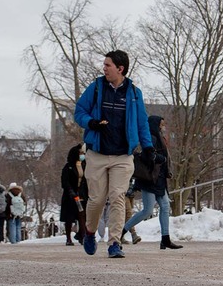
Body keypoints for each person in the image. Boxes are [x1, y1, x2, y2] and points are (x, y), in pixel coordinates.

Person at [74, 49, 154, 258]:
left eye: (108, 65)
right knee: (97, 200)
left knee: (118, 197)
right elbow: (79, 111)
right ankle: (90, 232)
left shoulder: (134, 94)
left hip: (123, 156)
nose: (104, 68)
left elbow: (142, 122)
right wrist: (90, 122)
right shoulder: (97, 87)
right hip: (97, 154)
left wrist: (148, 147)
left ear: (120, 68)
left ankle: (114, 243)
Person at [122, 116, 182, 250]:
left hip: (159, 179)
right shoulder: (150, 138)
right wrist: (159, 158)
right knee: (147, 210)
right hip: (150, 179)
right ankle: (122, 231)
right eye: (161, 124)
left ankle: (165, 238)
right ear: (155, 125)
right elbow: (146, 156)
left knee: (165, 206)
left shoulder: (159, 138)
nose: (163, 127)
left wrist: (166, 168)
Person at [59, 144, 88, 246]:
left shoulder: (84, 165)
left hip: (82, 194)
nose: (82, 155)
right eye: (81, 153)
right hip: (70, 195)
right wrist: (71, 192)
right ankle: (68, 238)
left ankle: (82, 236)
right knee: (69, 218)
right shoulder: (68, 167)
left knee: (82, 216)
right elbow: (65, 182)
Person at [121, 178, 141, 245]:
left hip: (131, 194)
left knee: (125, 215)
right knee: (128, 213)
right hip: (123, 193)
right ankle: (133, 234)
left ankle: (121, 236)